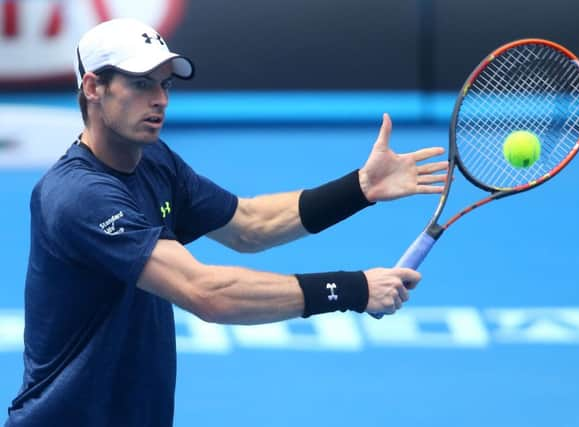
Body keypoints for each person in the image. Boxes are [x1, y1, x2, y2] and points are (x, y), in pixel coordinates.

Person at [5, 18, 448, 427]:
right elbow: (207, 293)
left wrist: (360, 187)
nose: (159, 99)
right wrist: (353, 289)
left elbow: (249, 225)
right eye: (140, 84)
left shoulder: (155, 162)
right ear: (94, 87)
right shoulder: (78, 197)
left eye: (163, 84)